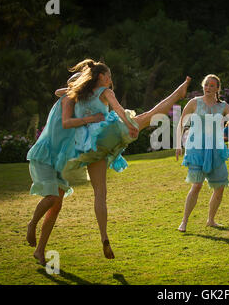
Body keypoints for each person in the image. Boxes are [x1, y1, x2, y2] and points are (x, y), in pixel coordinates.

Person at [61, 59, 191, 258]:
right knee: (148, 116)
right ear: (101, 77)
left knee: (99, 193)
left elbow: (58, 93)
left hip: (88, 147)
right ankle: (178, 93)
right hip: (107, 133)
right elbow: (118, 109)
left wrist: (78, 84)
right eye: (109, 76)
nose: (110, 80)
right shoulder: (105, 91)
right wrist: (129, 124)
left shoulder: (80, 94)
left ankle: (104, 236)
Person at [26, 73, 106, 265]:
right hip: (47, 155)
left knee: (56, 206)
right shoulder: (67, 100)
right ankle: (32, 224)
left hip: (62, 159)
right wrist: (92, 118)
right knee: (52, 198)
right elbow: (66, 123)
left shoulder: (80, 103)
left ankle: (40, 250)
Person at [175, 74, 229, 233]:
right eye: (206, 85)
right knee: (196, 185)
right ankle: (184, 222)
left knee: (220, 187)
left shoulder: (223, 106)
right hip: (196, 148)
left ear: (217, 88)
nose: (208, 88)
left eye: (212, 85)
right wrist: (178, 144)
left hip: (215, 149)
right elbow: (181, 124)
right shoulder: (194, 103)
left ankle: (211, 220)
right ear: (203, 86)